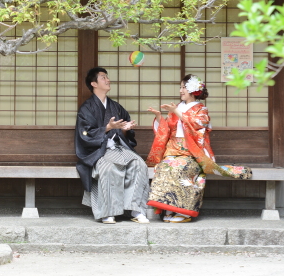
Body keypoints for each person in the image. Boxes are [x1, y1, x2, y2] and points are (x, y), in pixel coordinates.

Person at [146, 74, 252, 222]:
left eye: (184, 87)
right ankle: (169, 208)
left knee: (180, 169)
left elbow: (197, 126)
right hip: (173, 151)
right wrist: (159, 118)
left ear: (192, 90)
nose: (180, 90)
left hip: (193, 154)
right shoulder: (178, 108)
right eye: (181, 87)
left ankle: (185, 212)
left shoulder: (201, 110)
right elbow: (167, 130)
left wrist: (176, 112)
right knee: (164, 168)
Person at [75, 67, 151, 224]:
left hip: (118, 147)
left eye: (107, 77)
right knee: (108, 168)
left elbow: (124, 133)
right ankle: (108, 212)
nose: (107, 80)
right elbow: (85, 135)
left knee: (139, 164)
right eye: (103, 77)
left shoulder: (115, 107)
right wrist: (107, 128)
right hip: (99, 151)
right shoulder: (86, 108)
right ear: (94, 83)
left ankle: (136, 209)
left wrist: (124, 129)